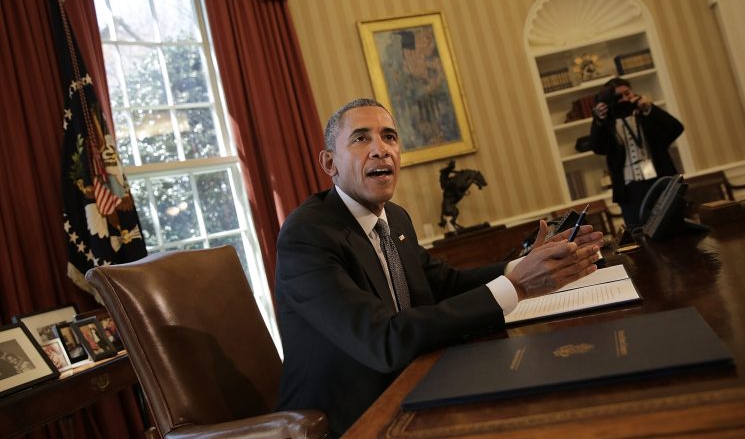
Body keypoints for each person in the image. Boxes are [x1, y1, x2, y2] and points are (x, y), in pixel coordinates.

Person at [275, 98, 603, 436]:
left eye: (389, 137)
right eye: (361, 138)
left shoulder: (396, 218)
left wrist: (523, 266)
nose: (380, 150)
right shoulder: (307, 235)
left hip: (415, 382)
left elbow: (444, 283)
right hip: (345, 419)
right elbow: (383, 340)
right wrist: (518, 286)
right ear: (330, 162)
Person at [590, 77, 684, 231]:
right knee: (638, 232)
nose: (625, 99)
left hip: (659, 180)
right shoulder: (608, 124)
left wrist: (649, 108)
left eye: (627, 93)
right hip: (629, 189)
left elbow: (676, 128)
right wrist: (599, 120)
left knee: (672, 228)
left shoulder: (645, 116)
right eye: (618, 97)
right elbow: (597, 147)